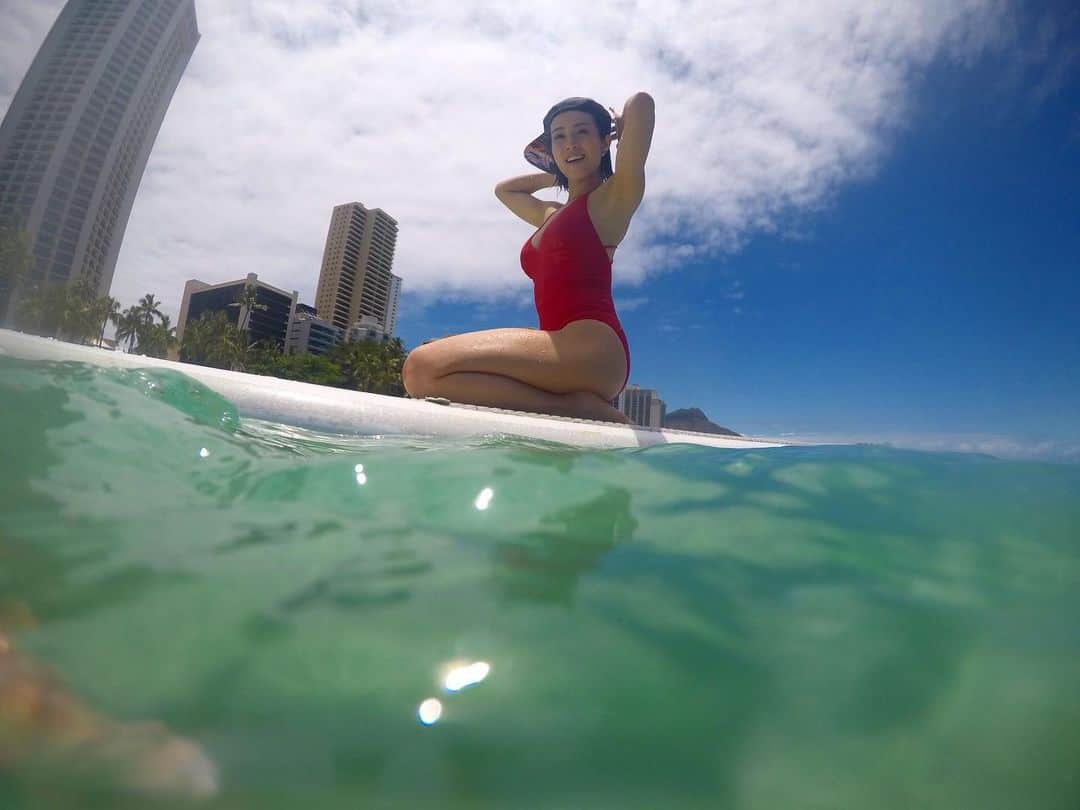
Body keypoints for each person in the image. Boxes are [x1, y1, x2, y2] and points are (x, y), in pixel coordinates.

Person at [402, 92, 655, 424]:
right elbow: (505, 190)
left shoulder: (611, 201)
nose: (570, 143)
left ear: (604, 141)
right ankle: (572, 404)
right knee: (427, 372)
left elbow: (641, 104)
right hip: (554, 346)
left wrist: (616, 130)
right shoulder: (552, 214)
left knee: (422, 367)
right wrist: (559, 171)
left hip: (593, 348)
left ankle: (578, 409)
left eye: (582, 132)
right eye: (559, 137)